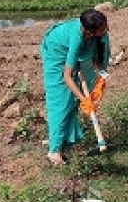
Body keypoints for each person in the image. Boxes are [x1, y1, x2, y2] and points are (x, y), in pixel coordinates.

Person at [40, 9, 110, 166]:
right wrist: (85, 99)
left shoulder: (99, 35)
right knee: (62, 99)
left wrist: (102, 80)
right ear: (89, 31)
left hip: (76, 46)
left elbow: (97, 60)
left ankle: (63, 139)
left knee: (73, 99)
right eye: (103, 29)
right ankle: (54, 151)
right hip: (57, 50)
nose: (106, 31)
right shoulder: (76, 38)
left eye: (106, 27)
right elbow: (67, 76)